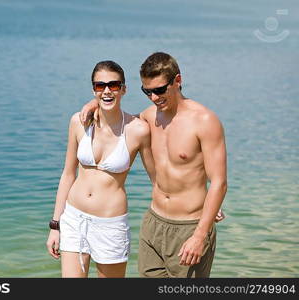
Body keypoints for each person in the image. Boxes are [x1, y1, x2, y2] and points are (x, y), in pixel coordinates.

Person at [79, 52, 227, 278]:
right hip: (153, 223)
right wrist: (95, 101)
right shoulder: (148, 117)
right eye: (147, 91)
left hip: (189, 226)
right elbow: (117, 121)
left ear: (177, 81)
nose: (154, 97)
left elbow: (219, 182)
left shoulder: (205, 121)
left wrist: (200, 234)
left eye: (159, 90)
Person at [46, 60, 156, 278]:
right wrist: (55, 225)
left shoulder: (138, 129)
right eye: (100, 86)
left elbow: (157, 180)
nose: (107, 90)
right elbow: (68, 174)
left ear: (124, 89)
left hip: (110, 225)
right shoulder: (79, 122)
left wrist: (199, 201)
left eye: (113, 85)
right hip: (74, 218)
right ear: (93, 89)